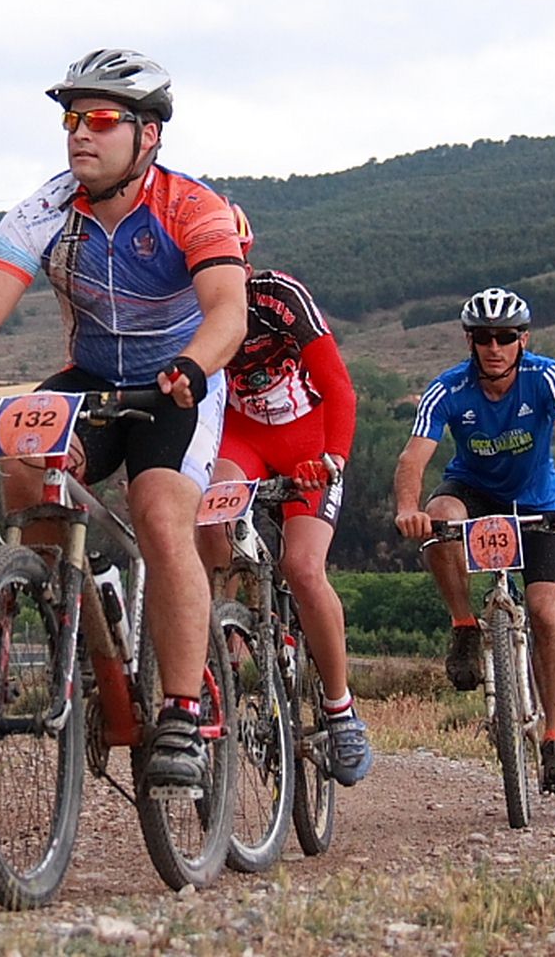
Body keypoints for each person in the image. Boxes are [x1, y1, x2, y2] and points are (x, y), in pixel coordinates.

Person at [0, 48, 248, 795]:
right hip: (92, 376)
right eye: (72, 119)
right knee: (22, 458)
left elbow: (227, 313)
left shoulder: (191, 207)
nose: (81, 132)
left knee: (159, 512)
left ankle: (181, 712)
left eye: (102, 119)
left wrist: (192, 366)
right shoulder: (44, 211)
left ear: (148, 134)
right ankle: (71, 610)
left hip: (178, 383)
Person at [392, 287, 555, 793]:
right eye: (483, 338)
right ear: (469, 340)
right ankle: (464, 624)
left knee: (546, 612)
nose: (494, 347)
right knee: (440, 518)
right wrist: (407, 509)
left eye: (505, 337)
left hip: (537, 502)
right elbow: (414, 456)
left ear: (522, 339)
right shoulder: (448, 388)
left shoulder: (545, 376)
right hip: (473, 491)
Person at [197, 205, 372, 786]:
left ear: (246, 260)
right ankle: (225, 651)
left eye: (230, 262)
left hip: (307, 439)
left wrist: (333, 459)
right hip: (243, 437)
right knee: (209, 518)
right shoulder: (189, 308)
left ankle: (340, 710)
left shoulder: (279, 297)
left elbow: (339, 387)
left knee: (303, 567)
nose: (219, 274)